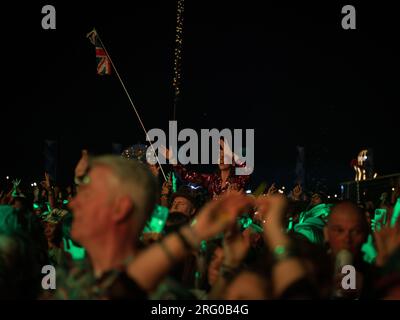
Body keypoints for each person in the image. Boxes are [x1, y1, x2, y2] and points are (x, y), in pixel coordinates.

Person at [50, 152, 158, 299]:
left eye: (87, 195)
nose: (72, 204)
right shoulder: (72, 275)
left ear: (120, 209)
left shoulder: (155, 294)